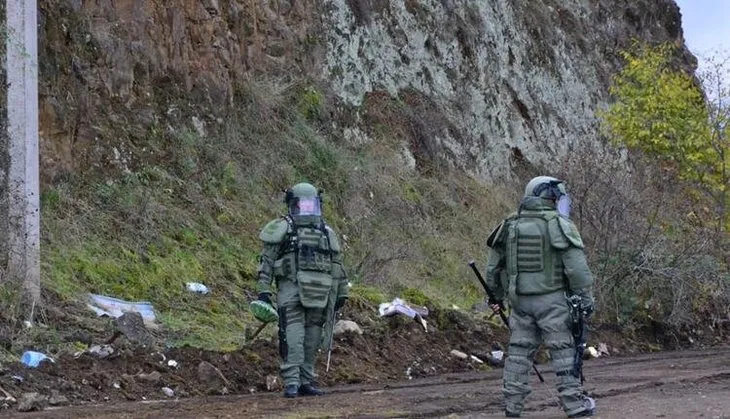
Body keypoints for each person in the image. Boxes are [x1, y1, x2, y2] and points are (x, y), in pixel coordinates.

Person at [484, 176, 597, 418]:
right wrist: (585, 301)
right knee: (565, 352)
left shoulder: (510, 225)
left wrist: (495, 296)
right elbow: (577, 270)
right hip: (553, 300)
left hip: (520, 302)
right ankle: (576, 407)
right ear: (552, 197)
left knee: (518, 355)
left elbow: (493, 269)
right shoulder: (559, 224)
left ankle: (512, 409)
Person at [254, 182, 349, 398]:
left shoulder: (326, 231)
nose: (306, 210)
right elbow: (266, 262)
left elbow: (337, 264)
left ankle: (305, 381)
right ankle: (292, 382)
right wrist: (263, 291)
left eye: (310, 206)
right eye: (302, 206)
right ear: (292, 204)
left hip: (320, 293)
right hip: (292, 291)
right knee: (293, 337)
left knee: (312, 339)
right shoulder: (283, 228)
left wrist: (341, 292)